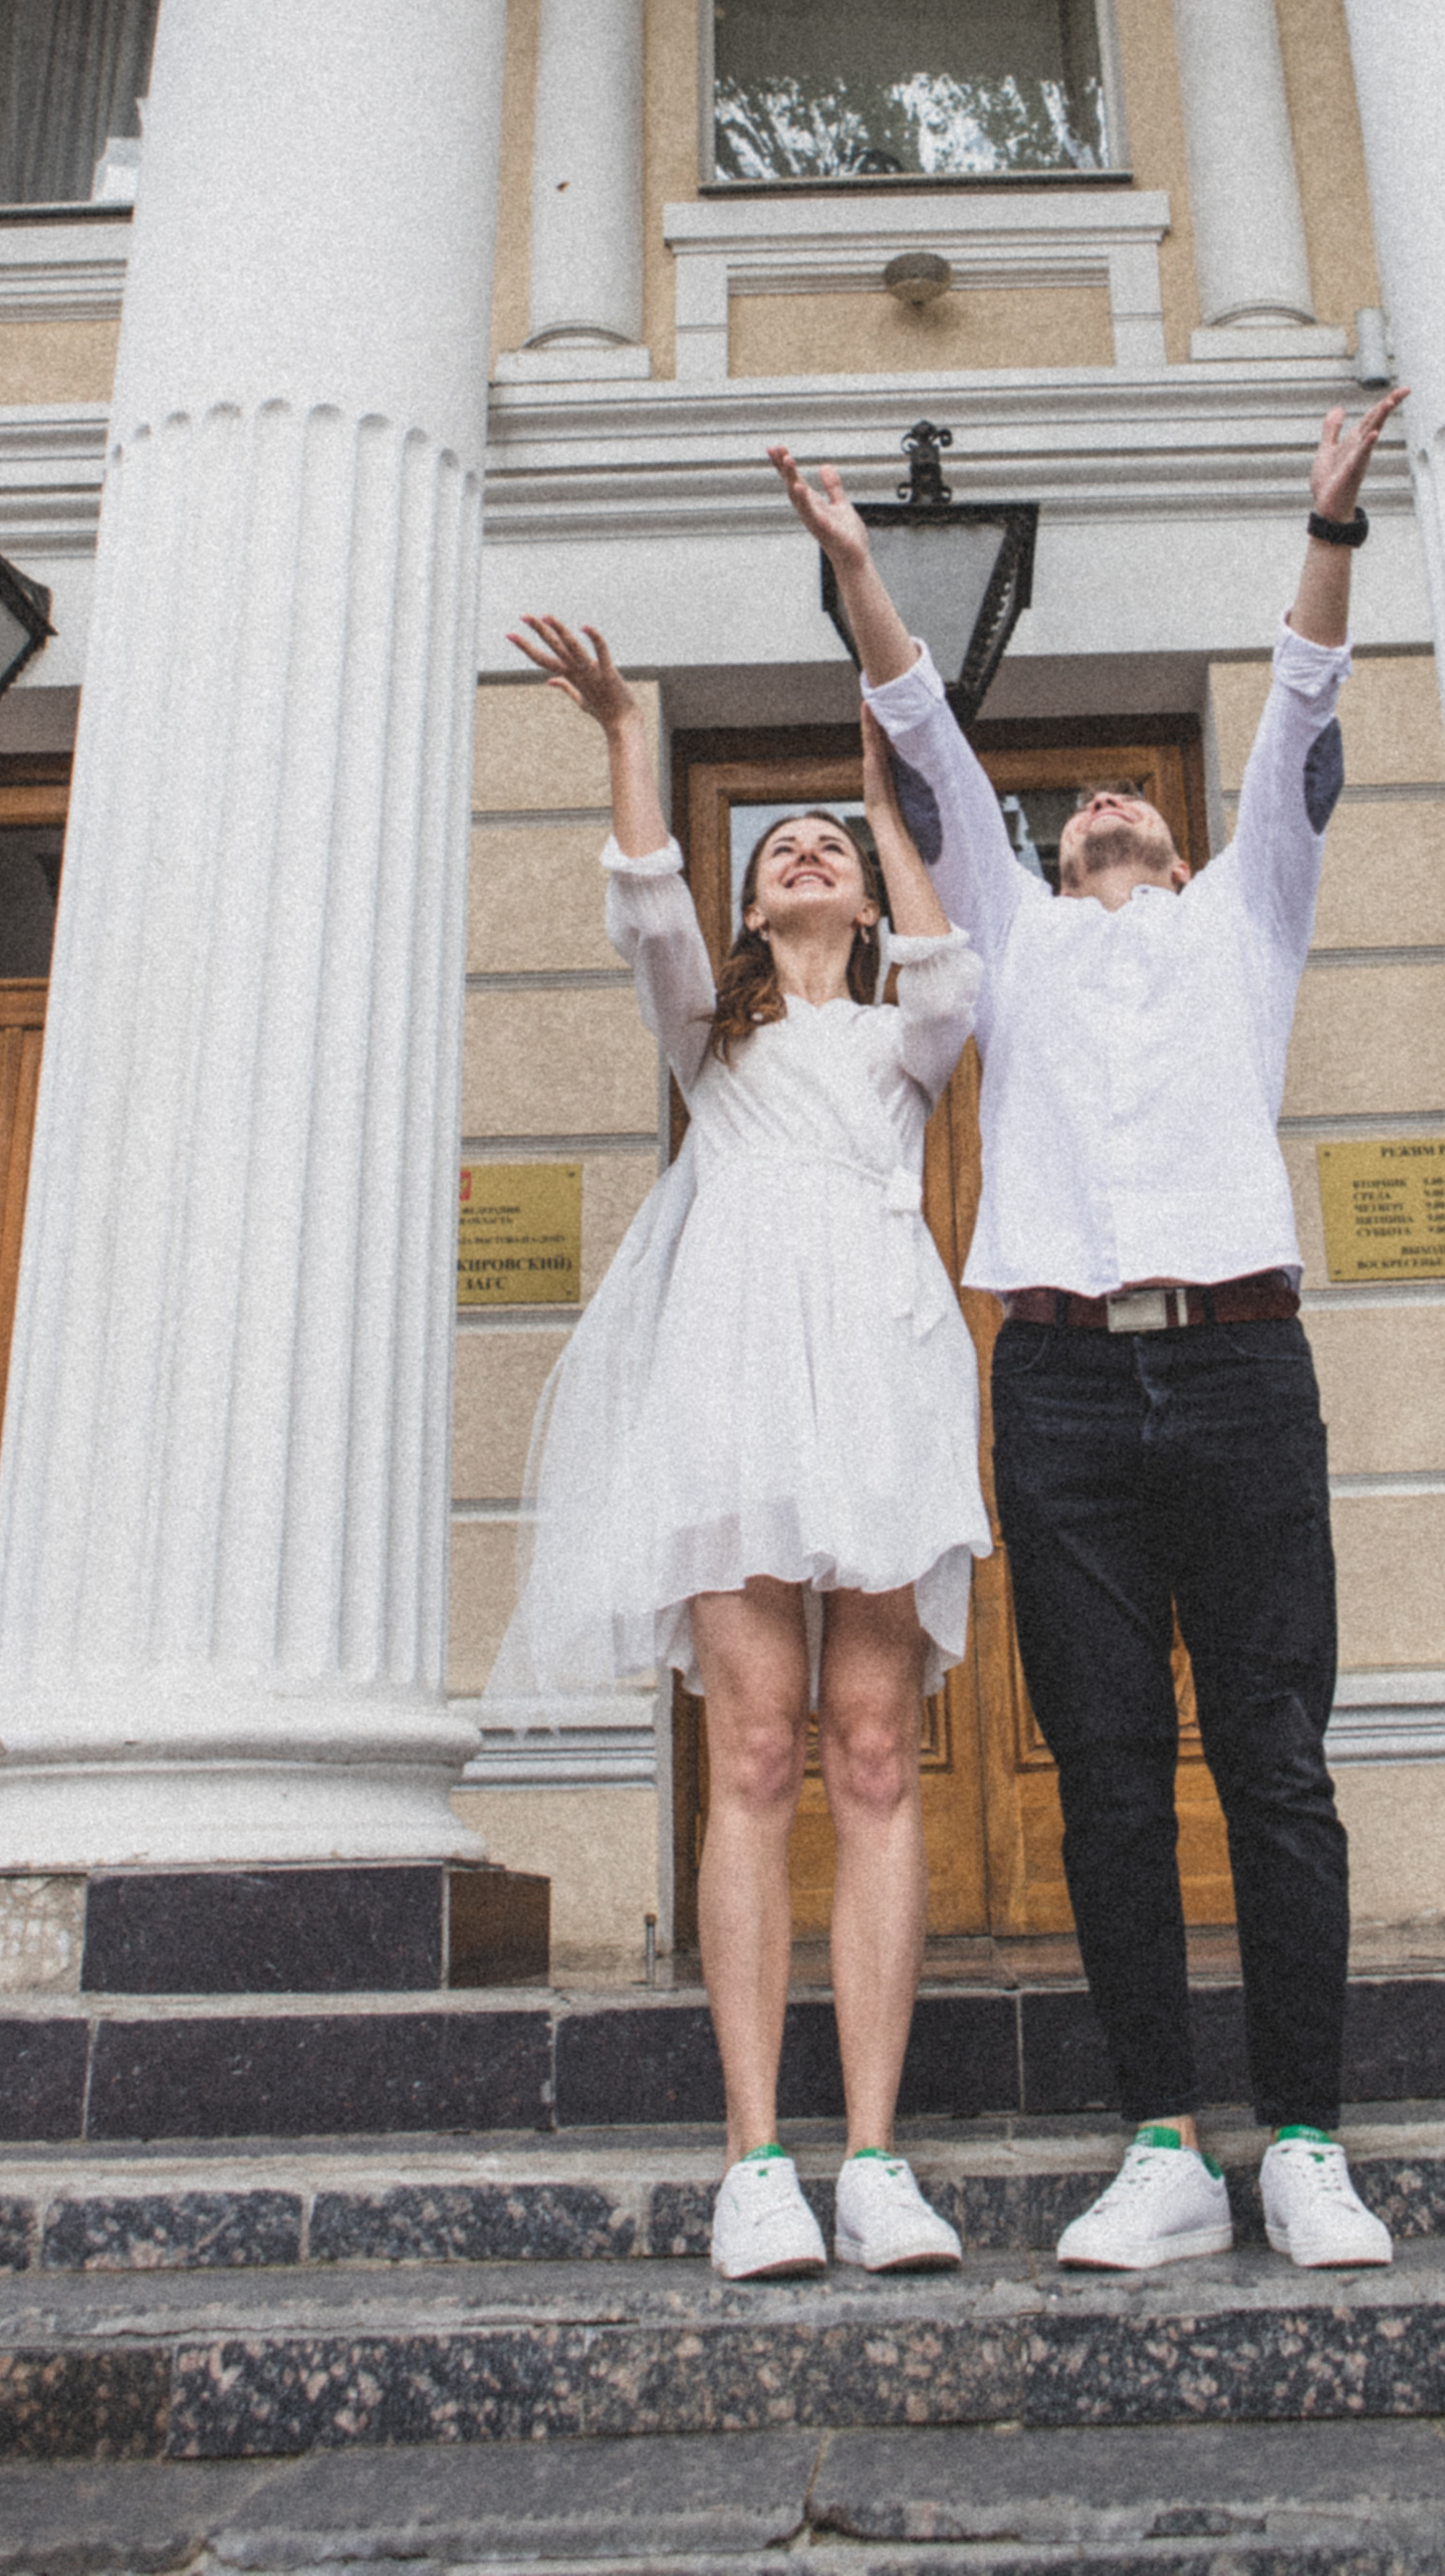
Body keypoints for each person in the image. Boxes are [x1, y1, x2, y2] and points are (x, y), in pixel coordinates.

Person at [769, 397, 1407, 2276]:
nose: (1107, 804)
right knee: (1109, 1772)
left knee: (1275, 1759)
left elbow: (1300, 705)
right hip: (1052, 1383)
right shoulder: (1018, 935)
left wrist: (1329, 527)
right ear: (1047, 855)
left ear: (1187, 849)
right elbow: (923, 734)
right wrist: (857, 568)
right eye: (1082, 809)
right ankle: (1164, 2149)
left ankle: (1306, 2143)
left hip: (1240, 1368)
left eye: (1136, 800)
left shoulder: (1249, 921)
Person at [484, 619, 991, 2285]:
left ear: (860, 900)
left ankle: (877, 2161)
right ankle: (754, 2158)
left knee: (875, 1755)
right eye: (782, 849)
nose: (806, 853)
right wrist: (627, 731)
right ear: (754, 909)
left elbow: (953, 978)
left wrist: (890, 808)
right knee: (759, 1752)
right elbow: (648, 906)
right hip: (736, 1396)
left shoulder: (901, 1048)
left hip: (881, 1391)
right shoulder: (712, 1040)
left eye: (828, 848)